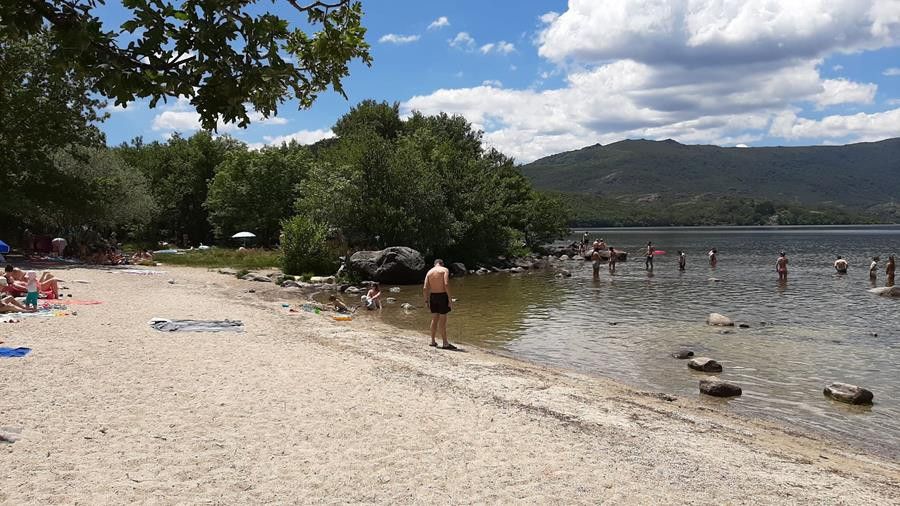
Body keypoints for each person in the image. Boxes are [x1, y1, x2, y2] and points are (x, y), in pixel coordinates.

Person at [423, 259, 455, 350]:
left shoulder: (429, 272)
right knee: (442, 320)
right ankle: (445, 343)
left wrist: (426, 301)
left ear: (435, 264)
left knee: (434, 319)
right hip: (442, 296)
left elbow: (425, 288)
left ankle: (432, 341)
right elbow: (446, 284)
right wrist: (449, 298)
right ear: (442, 263)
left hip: (433, 296)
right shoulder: (444, 270)